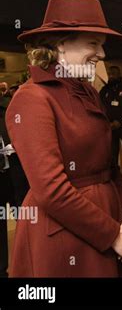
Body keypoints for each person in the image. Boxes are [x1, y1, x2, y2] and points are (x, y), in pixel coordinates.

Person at [6, 0, 122, 277]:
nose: (102, 54)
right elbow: (51, 191)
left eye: (102, 46)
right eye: (93, 43)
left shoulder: (87, 92)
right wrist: (113, 236)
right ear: (60, 43)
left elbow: (109, 165)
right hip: (65, 235)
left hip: (106, 222)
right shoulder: (32, 98)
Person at [0, 84, 29, 277]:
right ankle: (2, 268)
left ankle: (29, 261)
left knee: (25, 218)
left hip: (15, 173)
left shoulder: (7, 108)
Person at [99, 65, 122, 166]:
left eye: (113, 74)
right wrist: (107, 123)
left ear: (119, 74)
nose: (111, 76)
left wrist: (120, 121)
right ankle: (115, 179)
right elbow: (99, 107)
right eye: (109, 74)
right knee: (112, 156)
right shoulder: (104, 90)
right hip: (110, 127)